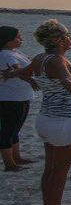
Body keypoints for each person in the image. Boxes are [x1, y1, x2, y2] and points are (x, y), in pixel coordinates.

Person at [28, 20, 71, 205]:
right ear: (59, 40)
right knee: (60, 170)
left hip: (47, 119)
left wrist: (17, 75)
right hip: (63, 121)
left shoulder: (40, 58)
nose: (70, 38)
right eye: (68, 35)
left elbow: (23, 72)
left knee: (50, 168)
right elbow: (66, 80)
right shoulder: (57, 60)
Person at [0, 26, 37, 171]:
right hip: (11, 98)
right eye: (17, 37)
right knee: (8, 130)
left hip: (21, 96)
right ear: (8, 40)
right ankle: (9, 164)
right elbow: (19, 72)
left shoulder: (14, 52)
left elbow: (28, 65)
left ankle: (17, 157)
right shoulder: (5, 54)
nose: (21, 39)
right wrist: (31, 80)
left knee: (15, 129)